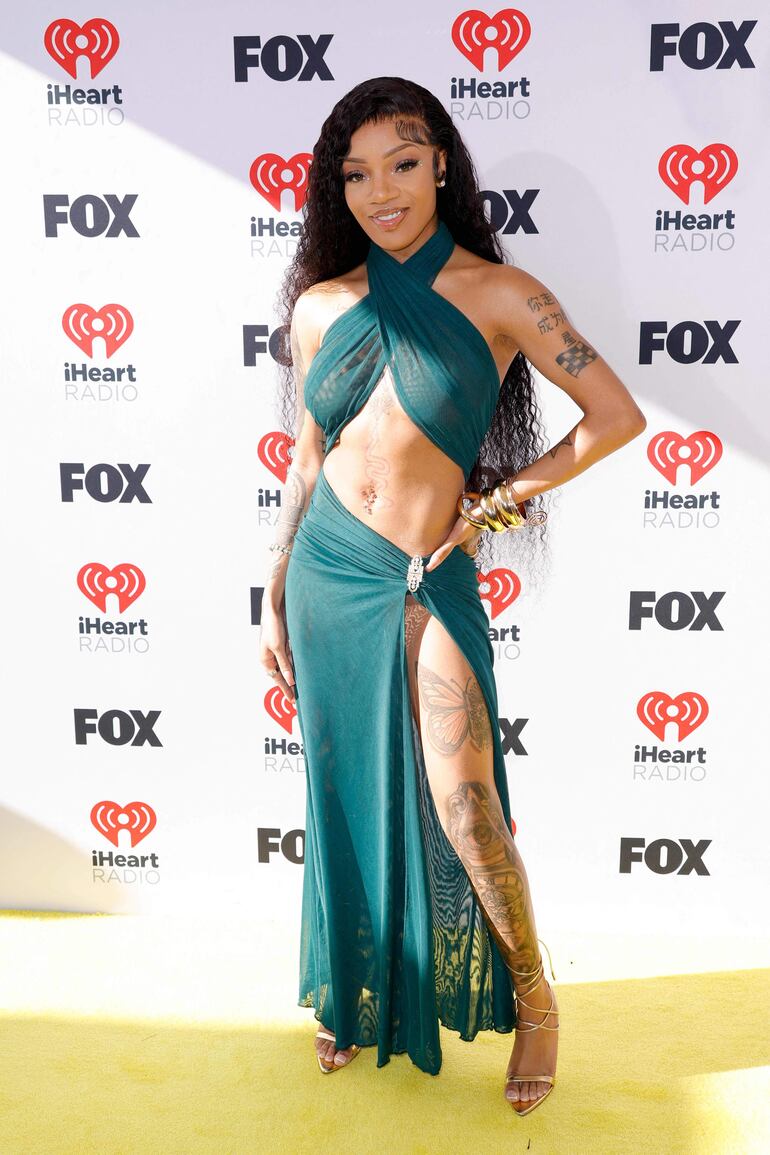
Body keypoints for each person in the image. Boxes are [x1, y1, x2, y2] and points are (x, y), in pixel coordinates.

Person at [259, 76, 646, 1116]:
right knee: (339, 794)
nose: (379, 190)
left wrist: (496, 509)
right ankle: (357, 990)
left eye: (400, 161)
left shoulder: (502, 294)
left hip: (425, 572)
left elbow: (614, 418)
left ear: (441, 164)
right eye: (354, 172)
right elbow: (307, 455)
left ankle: (534, 995)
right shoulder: (320, 305)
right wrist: (269, 588)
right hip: (326, 572)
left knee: (464, 806)